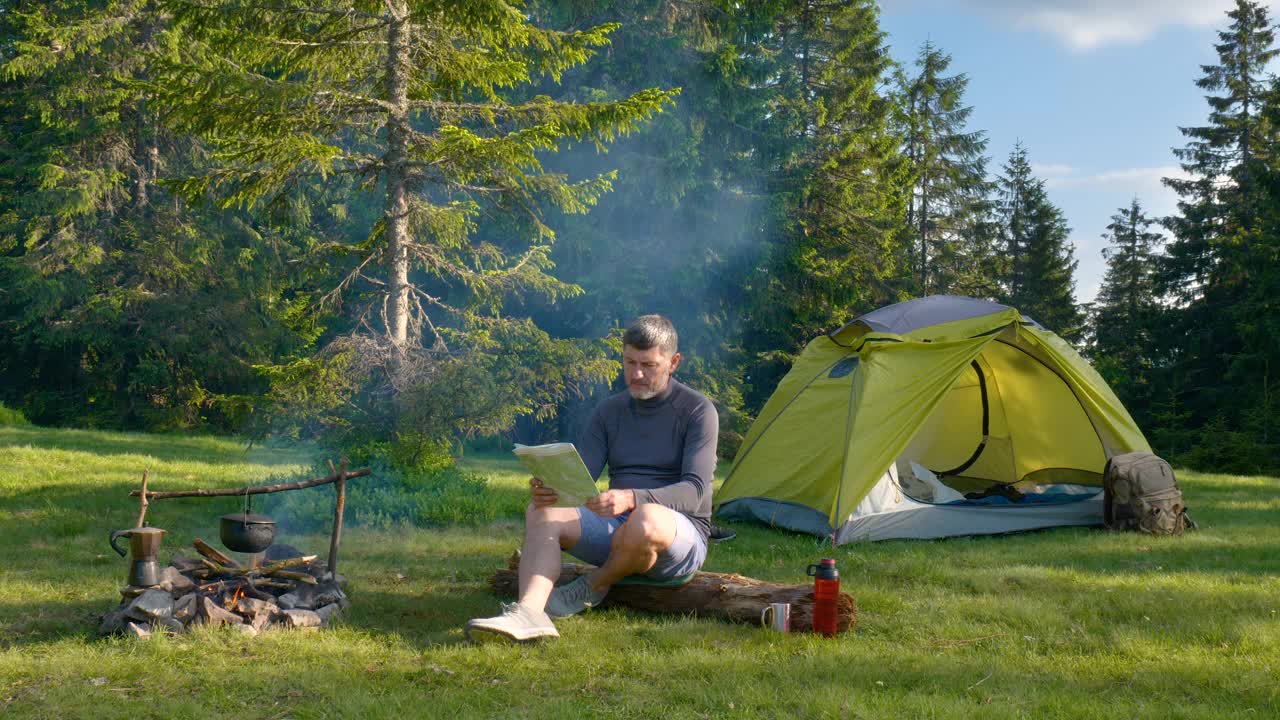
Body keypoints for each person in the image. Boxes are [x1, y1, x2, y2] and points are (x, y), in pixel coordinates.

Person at [466, 315, 718, 642]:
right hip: (619, 530)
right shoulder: (610, 411)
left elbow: (695, 491)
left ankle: (595, 584)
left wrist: (631, 498)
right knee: (542, 511)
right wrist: (550, 487)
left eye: (648, 365)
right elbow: (580, 475)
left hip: (679, 537)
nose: (637, 374)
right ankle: (529, 613)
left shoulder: (698, 411)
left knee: (645, 518)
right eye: (629, 362)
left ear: (673, 362)